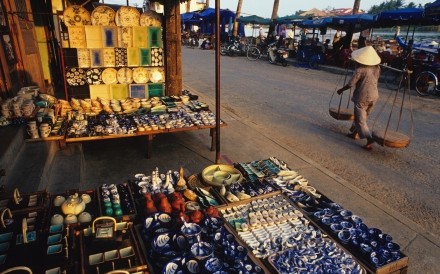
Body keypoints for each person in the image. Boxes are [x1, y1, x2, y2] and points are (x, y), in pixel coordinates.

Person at [336, 46, 381, 151]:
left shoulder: (360, 70)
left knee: (361, 119)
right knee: (363, 116)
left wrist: (341, 90)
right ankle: (355, 133)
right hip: (374, 96)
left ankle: (369, 139)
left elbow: (351, 84)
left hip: (363, 97)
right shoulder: (377, 68)